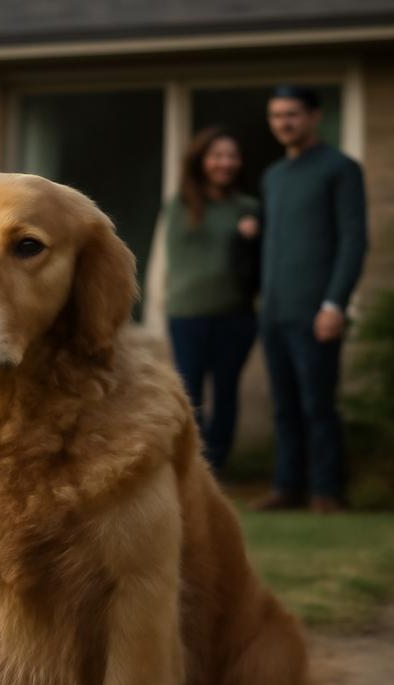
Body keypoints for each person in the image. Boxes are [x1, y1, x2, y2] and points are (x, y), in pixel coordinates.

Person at [252, 85, 368, 514]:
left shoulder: (340, 168)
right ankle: (287, 487)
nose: (283, 123)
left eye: (292, 114)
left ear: (314, 116)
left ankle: (327, 491)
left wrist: (334, 304)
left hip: (316, 311)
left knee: (318, 405)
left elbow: (353, 240)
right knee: (284, 407)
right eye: (276, 115)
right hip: (274, 311)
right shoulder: (273, 176)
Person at [161, 127, 260, 472]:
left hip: (236, 315)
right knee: (190, 393)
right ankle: (192, 465)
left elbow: (258, 264)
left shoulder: (248, 208)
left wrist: (251, 237)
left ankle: (217, 466)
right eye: (217, 155)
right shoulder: (181, 204)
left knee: (226, 391)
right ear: (201, 161)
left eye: (231, 156)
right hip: (188, 314)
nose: (225, 163)